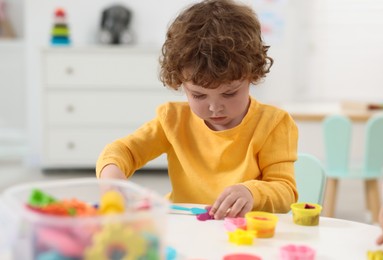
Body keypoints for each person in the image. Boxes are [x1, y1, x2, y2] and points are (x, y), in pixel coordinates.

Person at [96, 0, 298, 220]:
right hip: (185, 227)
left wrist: (251, 192)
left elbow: (285, 191)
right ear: (181, 82)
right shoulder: (172, 120)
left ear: (252, 75)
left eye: (229, 93)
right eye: (199, 95)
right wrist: (112, 179)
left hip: (244, 234)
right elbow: (122, 151)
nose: (214, 107)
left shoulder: (273, 124)